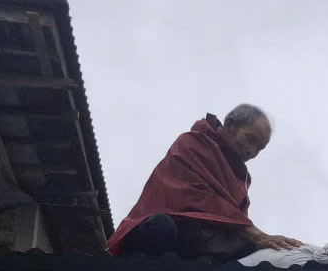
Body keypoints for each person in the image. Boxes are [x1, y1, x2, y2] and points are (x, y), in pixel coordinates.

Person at [107, 104, 304, 261]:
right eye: (250, 139)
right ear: (229, 125)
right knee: (161, 227)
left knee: (252, 252)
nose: (252, 152)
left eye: (259, 149)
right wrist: (255, 234)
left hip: (198, 244)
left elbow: (232, 225)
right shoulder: (192, 144)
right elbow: (194, 195)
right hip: (161, 232)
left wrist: (262, 243)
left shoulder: (241, 179)